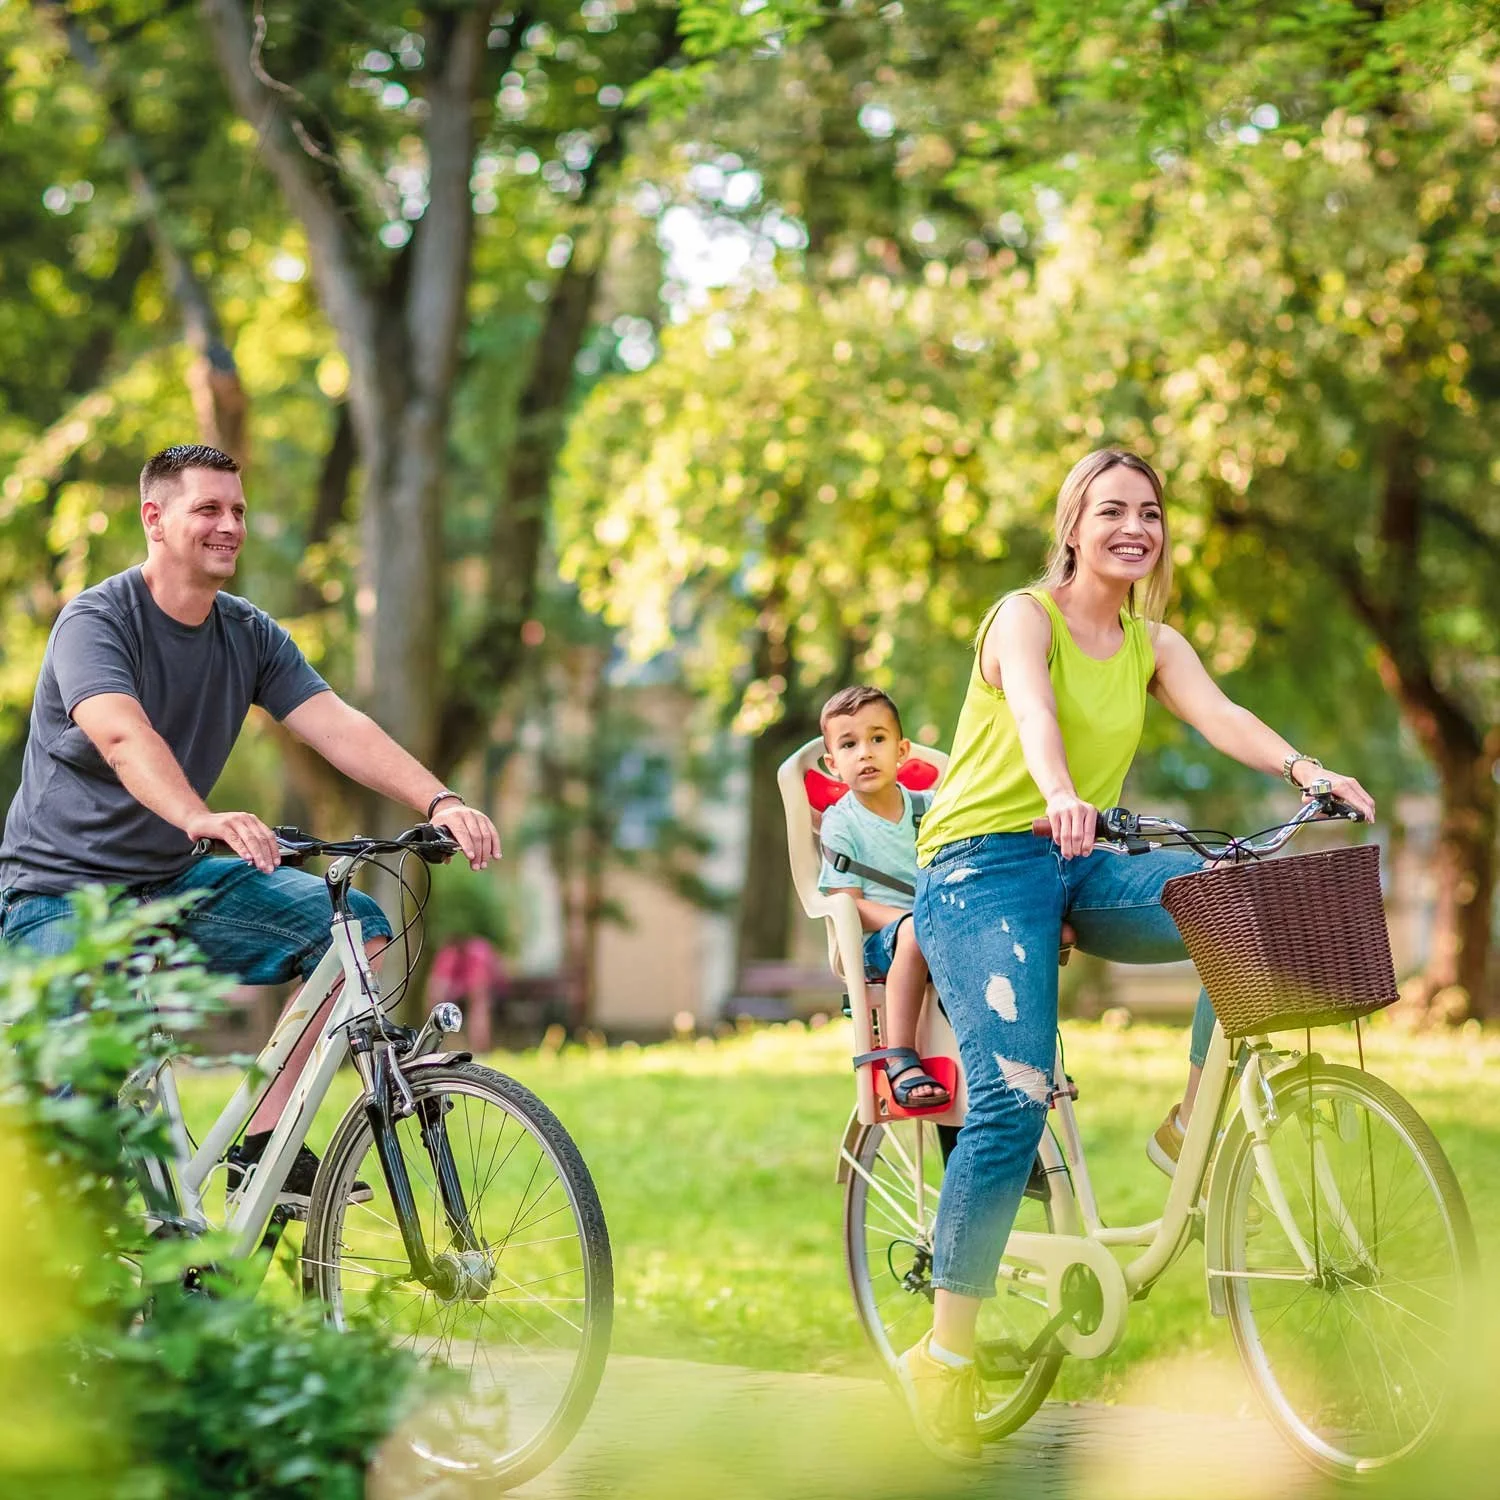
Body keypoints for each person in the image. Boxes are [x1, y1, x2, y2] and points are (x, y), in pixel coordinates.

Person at [895, 448, 1376, 1459]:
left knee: (1239, 909)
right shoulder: (1023, 616)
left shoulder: (1153, 642)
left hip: (1078, 858)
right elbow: (1031, 710)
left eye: (1149, 513)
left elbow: (1222, 716)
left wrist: (1306, 768)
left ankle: (1187, 1120)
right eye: (1110, 510)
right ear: (1072, 527)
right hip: (980, 870)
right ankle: (946, 1353)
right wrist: (1061, 789)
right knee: (1014, 1098)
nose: (1134, 527)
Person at [0, 443, 501, 1206]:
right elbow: (122, 736)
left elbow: (337, 724)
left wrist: (441, 801)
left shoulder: (248, 633)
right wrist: (199, 815)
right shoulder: (95, 621)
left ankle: (265, 1144)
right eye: (208, 508)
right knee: (81, 1122)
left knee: (355, 930)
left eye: (237, 510)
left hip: (171, 880)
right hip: (62, 894)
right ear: (155, 518)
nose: (229, 524)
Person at [817, 686, 947, 1109]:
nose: (865, 753)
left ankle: (1022, 1060)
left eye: (877, 739)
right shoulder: (843, 823)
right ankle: (901, 1057)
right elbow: (848, 902)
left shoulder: (930, 809)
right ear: (832, 764)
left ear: (902, 749)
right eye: (849, 744)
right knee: (914, 933)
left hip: (941, 926)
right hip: (882, 940)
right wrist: (913, 920)